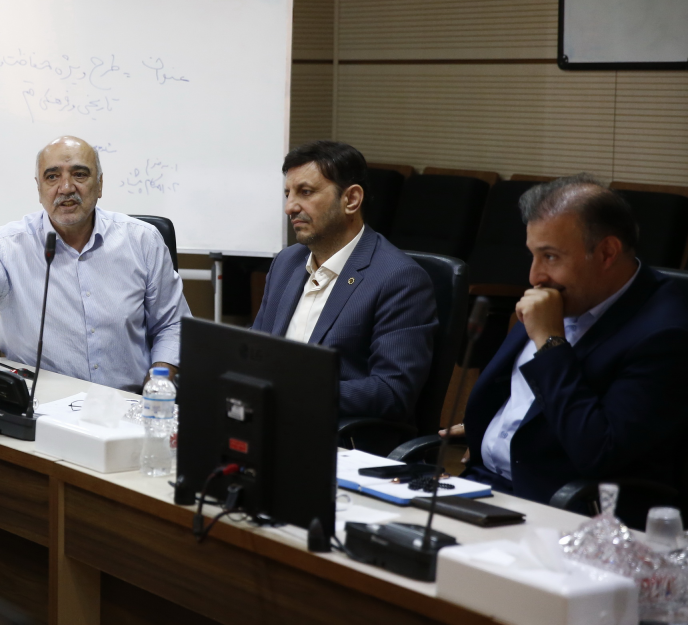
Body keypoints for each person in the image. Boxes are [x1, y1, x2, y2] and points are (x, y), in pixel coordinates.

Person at [454, 175, 688, 519]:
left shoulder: (667, 332)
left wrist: (550, 343)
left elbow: (599, 452)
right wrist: (491, 428)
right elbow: (527, 403)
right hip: (482, 484)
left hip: (562, 510)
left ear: (607, 252)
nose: (535, 276)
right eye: (533, 255)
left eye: (550, 256)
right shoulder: (562, 296)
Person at [0, 135, 189, 392]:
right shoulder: (6, 246)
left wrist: (157, 387)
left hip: (126, 405)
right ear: (39, 188)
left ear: (99, 185)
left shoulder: (143, 240)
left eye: (80, 175)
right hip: (40, 407)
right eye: (52, 177)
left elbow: (172, 325)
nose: (66, 188)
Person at [252, 141, 437, 422]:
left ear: (351, 200)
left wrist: (296, 393)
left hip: (336, 433)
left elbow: (393, 391)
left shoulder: (399, 279)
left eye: (305, 192)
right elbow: (258, 346)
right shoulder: (287, 262)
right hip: (269, 421)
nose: (290, 207)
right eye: (288, 194)